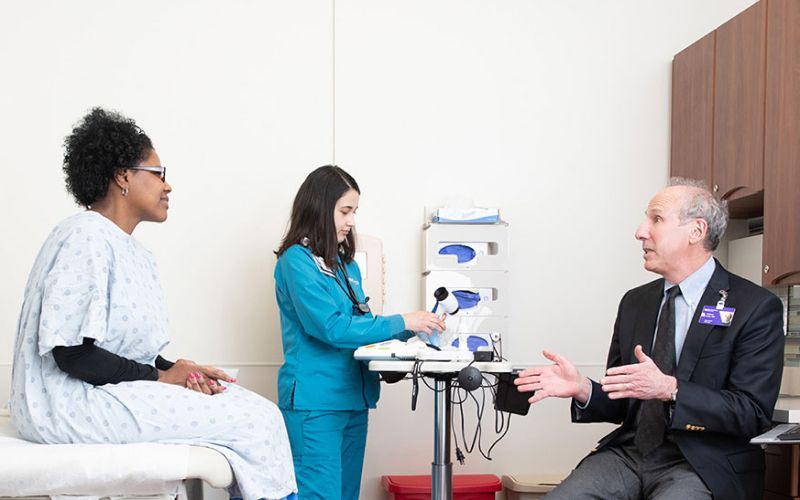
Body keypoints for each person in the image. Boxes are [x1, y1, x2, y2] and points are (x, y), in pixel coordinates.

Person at [9, 108, 297, 500]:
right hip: (65, 404)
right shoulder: (85, 236)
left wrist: (177, 368)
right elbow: (73, 354)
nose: (169, 186)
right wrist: (162, 378)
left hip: (100, 390)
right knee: (254, 421)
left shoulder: (130, 251)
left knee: (249, 407)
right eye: (158, 174)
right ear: (122, 176)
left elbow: (121, 351)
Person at [515, 179, 784, 500]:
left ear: (696, 231)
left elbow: (751, 412)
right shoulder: (635, 302)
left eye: (656, 219)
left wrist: (672, 389)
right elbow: (626, 402)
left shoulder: (754, 306)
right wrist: (584, 389)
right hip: (630, 454)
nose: (640, 231)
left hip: (701, 462)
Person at [274, 165, 446, 500]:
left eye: (354, 212)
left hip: (353, 398)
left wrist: (416, 331)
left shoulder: (345, 265)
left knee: (346, 495)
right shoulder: (296, 262)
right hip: (316, 403)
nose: (352, 221)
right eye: (345, 211)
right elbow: (333, 328)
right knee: (320, 495)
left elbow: (362, 326)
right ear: (320, 208)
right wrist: (404, 321)